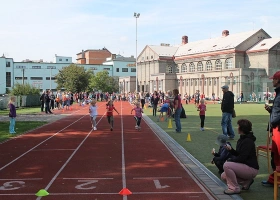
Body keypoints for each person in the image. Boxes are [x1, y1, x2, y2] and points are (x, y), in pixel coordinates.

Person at [221, 119, 259, 195]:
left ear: (242, 128)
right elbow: (239, 154)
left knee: (227, 165)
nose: (237, 128)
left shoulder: (248, 141)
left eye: (238, 126)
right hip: (245, 166)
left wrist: (230, 160)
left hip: (251, 168)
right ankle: (246, 182)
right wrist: (231, 150)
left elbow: (242, 158)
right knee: (224, 176)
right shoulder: (242, 139)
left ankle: (234, 188)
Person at [262, 70, 280, 187]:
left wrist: (272, 123)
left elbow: (277, 115)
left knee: (277, 155)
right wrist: (271, 110)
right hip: (277, 127)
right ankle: (274, 179)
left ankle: (275, 180)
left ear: (278, 80)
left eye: (273, 79)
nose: (272, 81)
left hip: (278, 129)